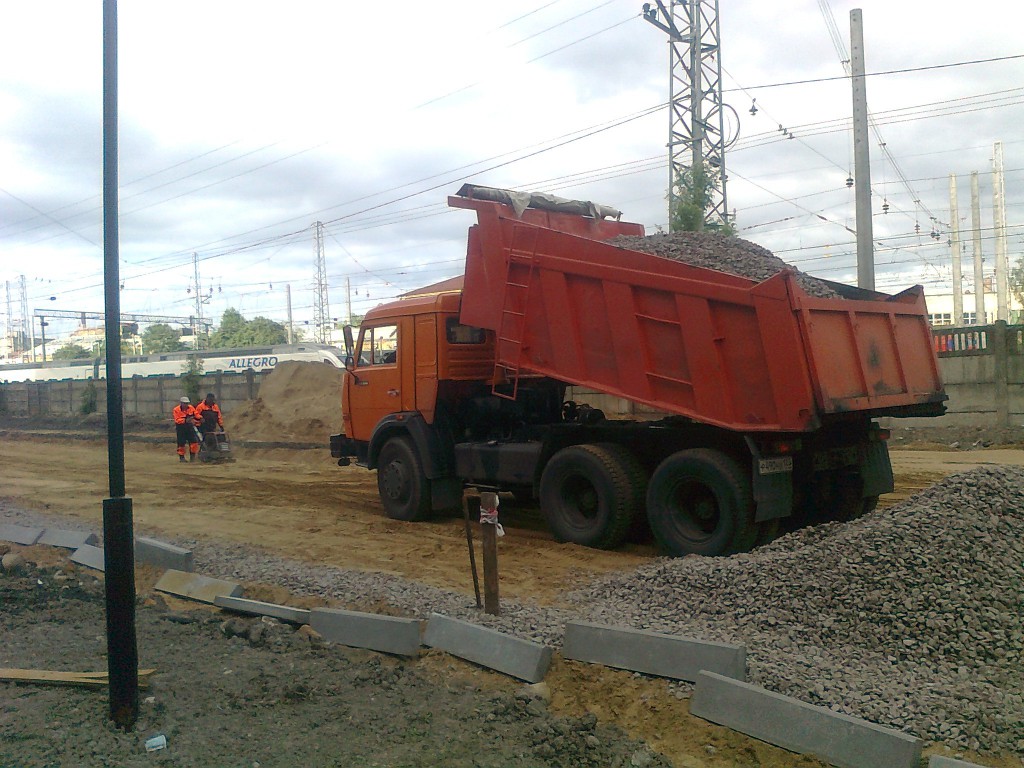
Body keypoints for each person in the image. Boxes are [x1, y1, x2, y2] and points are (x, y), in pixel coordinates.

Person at [172, 396, 199, 462]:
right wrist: (185, 420)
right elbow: (177, 420)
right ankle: (182, 458)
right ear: (181, 403)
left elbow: (196, 414)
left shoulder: (191, 408)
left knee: (194, 442)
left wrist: (200, 418)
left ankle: (192, 457)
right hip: (181, 428)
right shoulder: (176, 410)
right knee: (181, 444)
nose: (186, 405)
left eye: (187, 403)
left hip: (190, 428)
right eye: (184, 403)